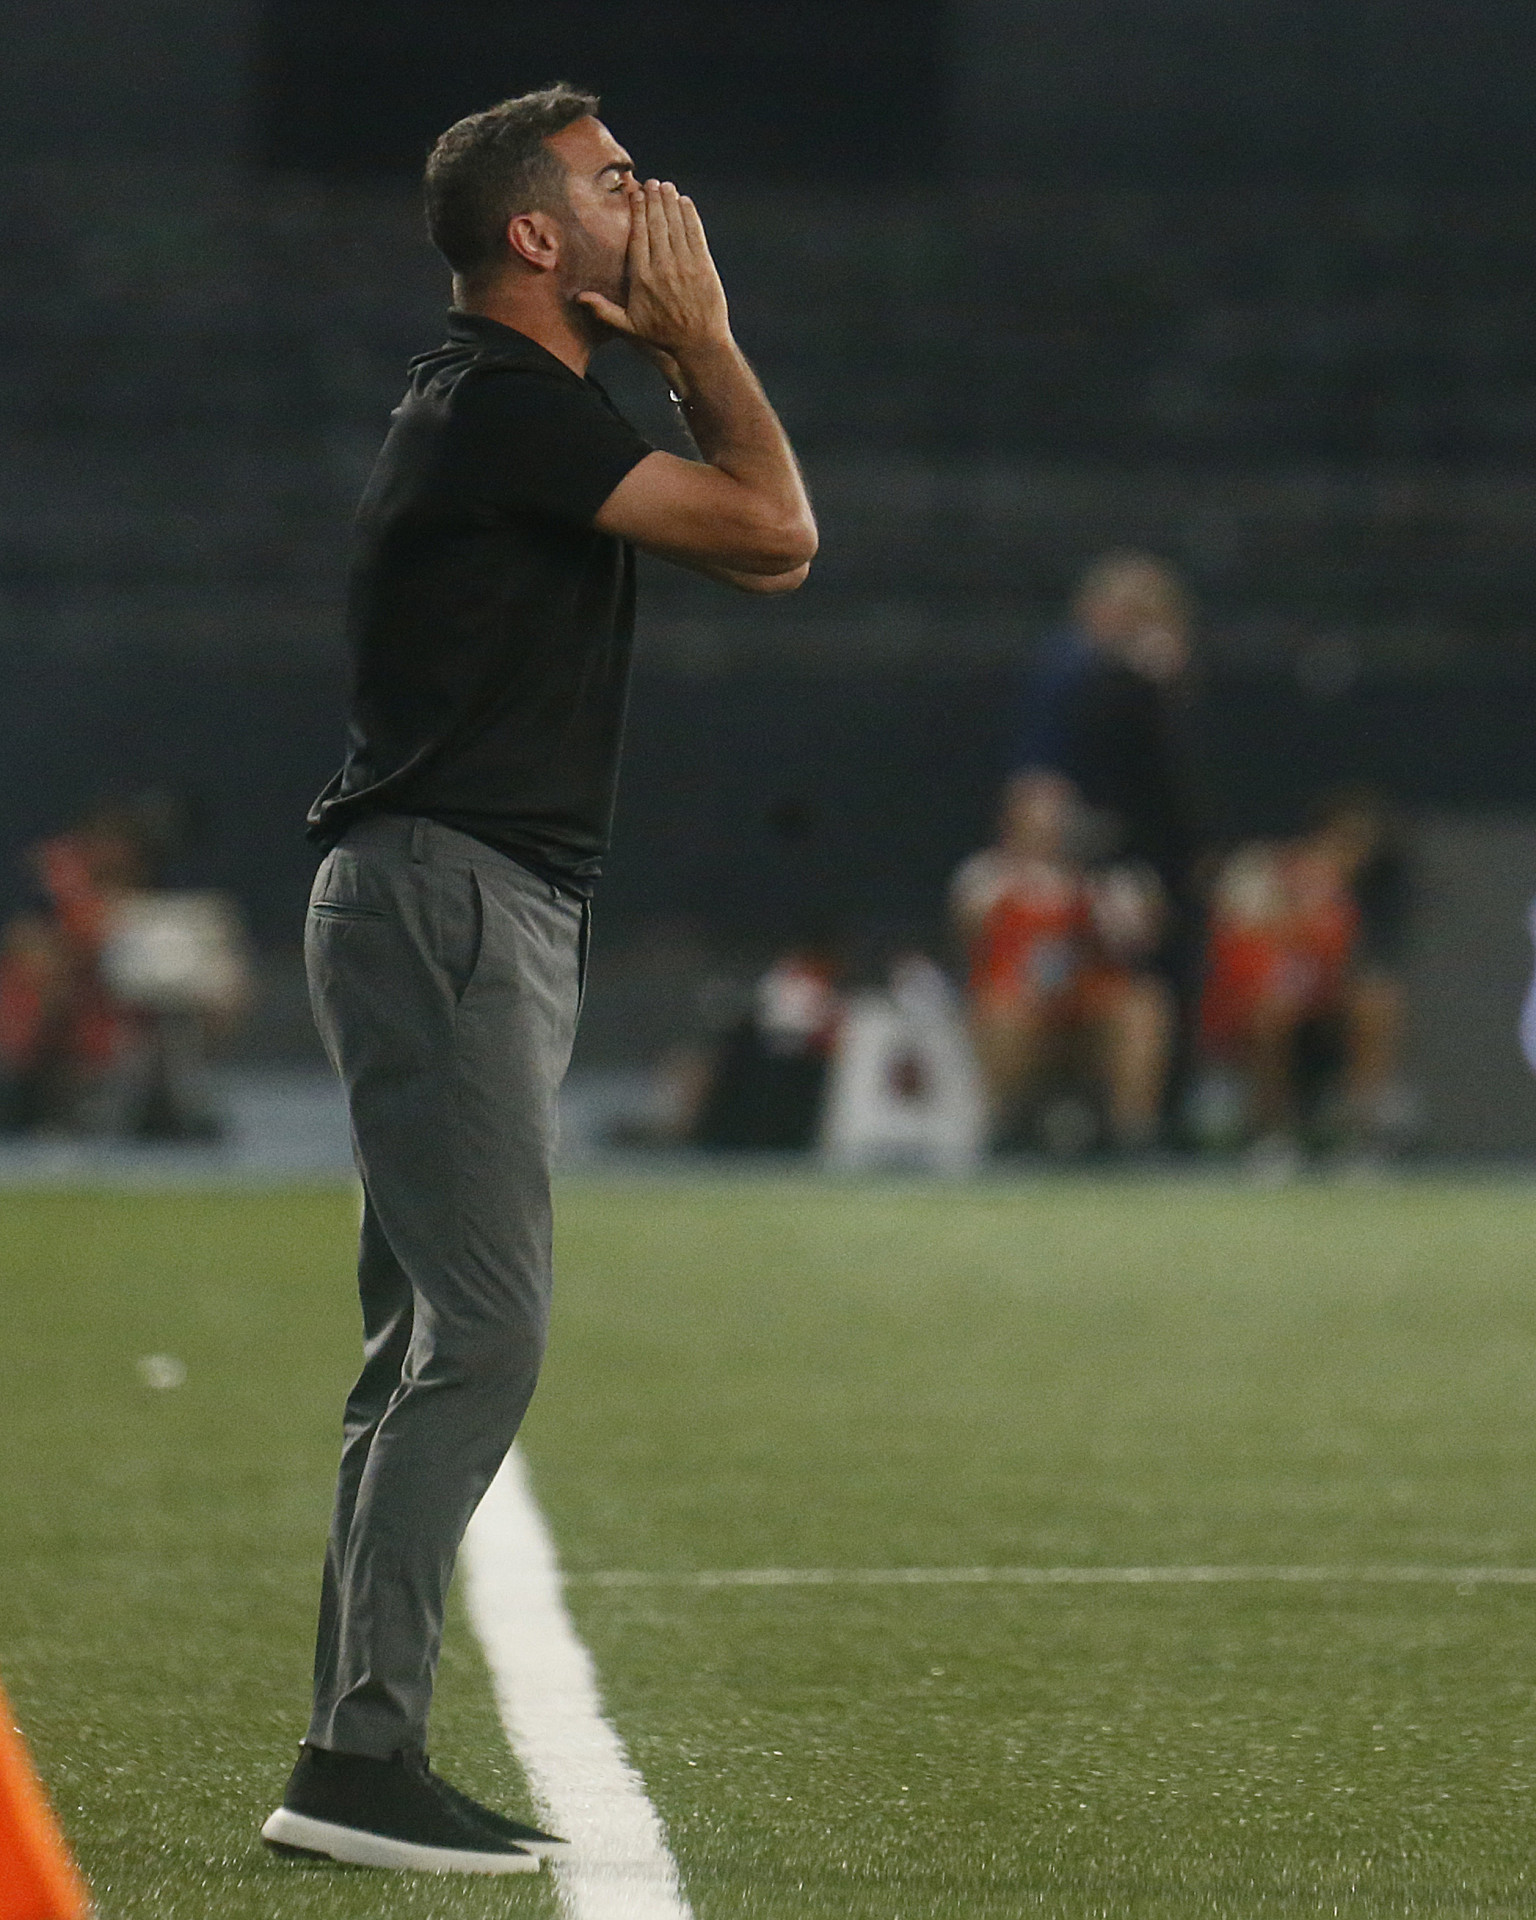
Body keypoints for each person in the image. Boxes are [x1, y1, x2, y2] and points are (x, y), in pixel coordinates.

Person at [261, 85, 815, 1875]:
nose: (643, 198)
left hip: (444, 892)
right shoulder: (508, 407)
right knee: (481, 1334)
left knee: (426, 1338)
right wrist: (708, 337)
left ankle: (352, 1752)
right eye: (606, 182)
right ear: (532, 240)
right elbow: (774, 532)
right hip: (450, 894)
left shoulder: (504, 409)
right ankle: (359, 1763)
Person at [950, 771, 1172, 1154]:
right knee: (997, 1010)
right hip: (1023, 1005)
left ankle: (1134, 1135)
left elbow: (1138, 941)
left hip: (1088, 1005)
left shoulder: (1108, 879)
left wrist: (1089, 886)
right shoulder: (985, 876)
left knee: (1143, 1006)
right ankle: (1002, 1130)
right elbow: (970, 935)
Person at [1199, 791, 1406, 1164]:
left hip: (1317, 1007)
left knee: (1378, 1003)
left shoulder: (1348, 895)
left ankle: (1360, 1138)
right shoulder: (1265, 871)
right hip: (1251, 1001)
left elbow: (1341, 969)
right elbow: (1239, 945)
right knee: (1272, 1011)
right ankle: (1272, 1136)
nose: (1354, 855)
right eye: (1346, 841)